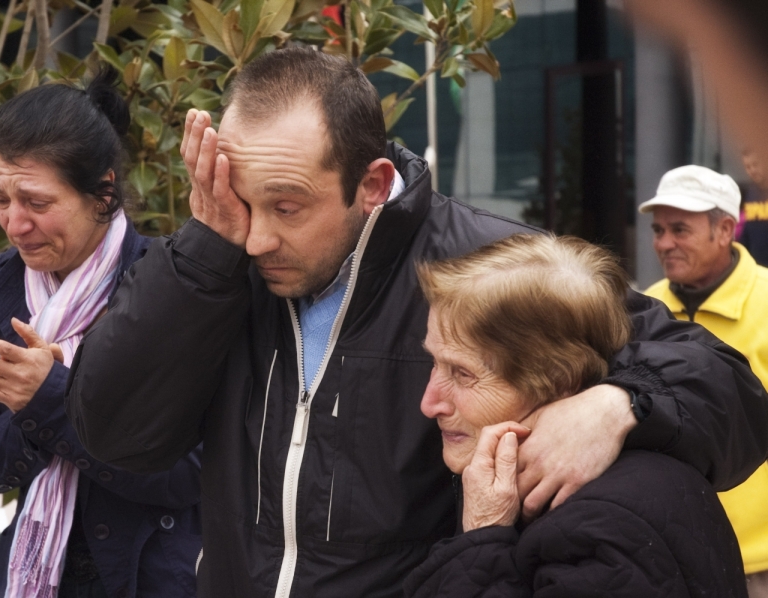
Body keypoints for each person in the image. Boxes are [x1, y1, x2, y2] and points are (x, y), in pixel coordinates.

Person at [65, 48, 768, 598]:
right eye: (245, 203)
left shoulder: (487, 264)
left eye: (288, 207)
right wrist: (201, 251)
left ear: (371, 186)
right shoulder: (223, 265)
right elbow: (114, 432)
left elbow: (730, 389)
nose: (258, 239)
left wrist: (620, 405)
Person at [0, 69, 201, 598]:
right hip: (40, 574)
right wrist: (28, 412)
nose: (15, 224)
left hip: (152, 578)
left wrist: (50, 399)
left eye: (37, 204)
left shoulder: (169, 285)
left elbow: (187, 475)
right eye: (0, 199)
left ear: (102, 194)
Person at [403, 233, 746, 596]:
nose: (430, 402)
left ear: (557, 381)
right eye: (434, 363)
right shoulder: (592, 499)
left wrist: (482, 539)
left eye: (462, 373)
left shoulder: (601, 528)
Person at [640, 164, 768, 596]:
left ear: (726, 229)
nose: (664, 243)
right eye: (658, 230)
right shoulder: (643, 308)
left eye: (680, 229)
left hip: (759, 562)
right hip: (668, 558)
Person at [740, 148, 768, 266]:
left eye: (755, 165)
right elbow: (748, 231)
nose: (752, 170)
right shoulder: (751, 193)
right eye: (748, 167)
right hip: (757, 269)